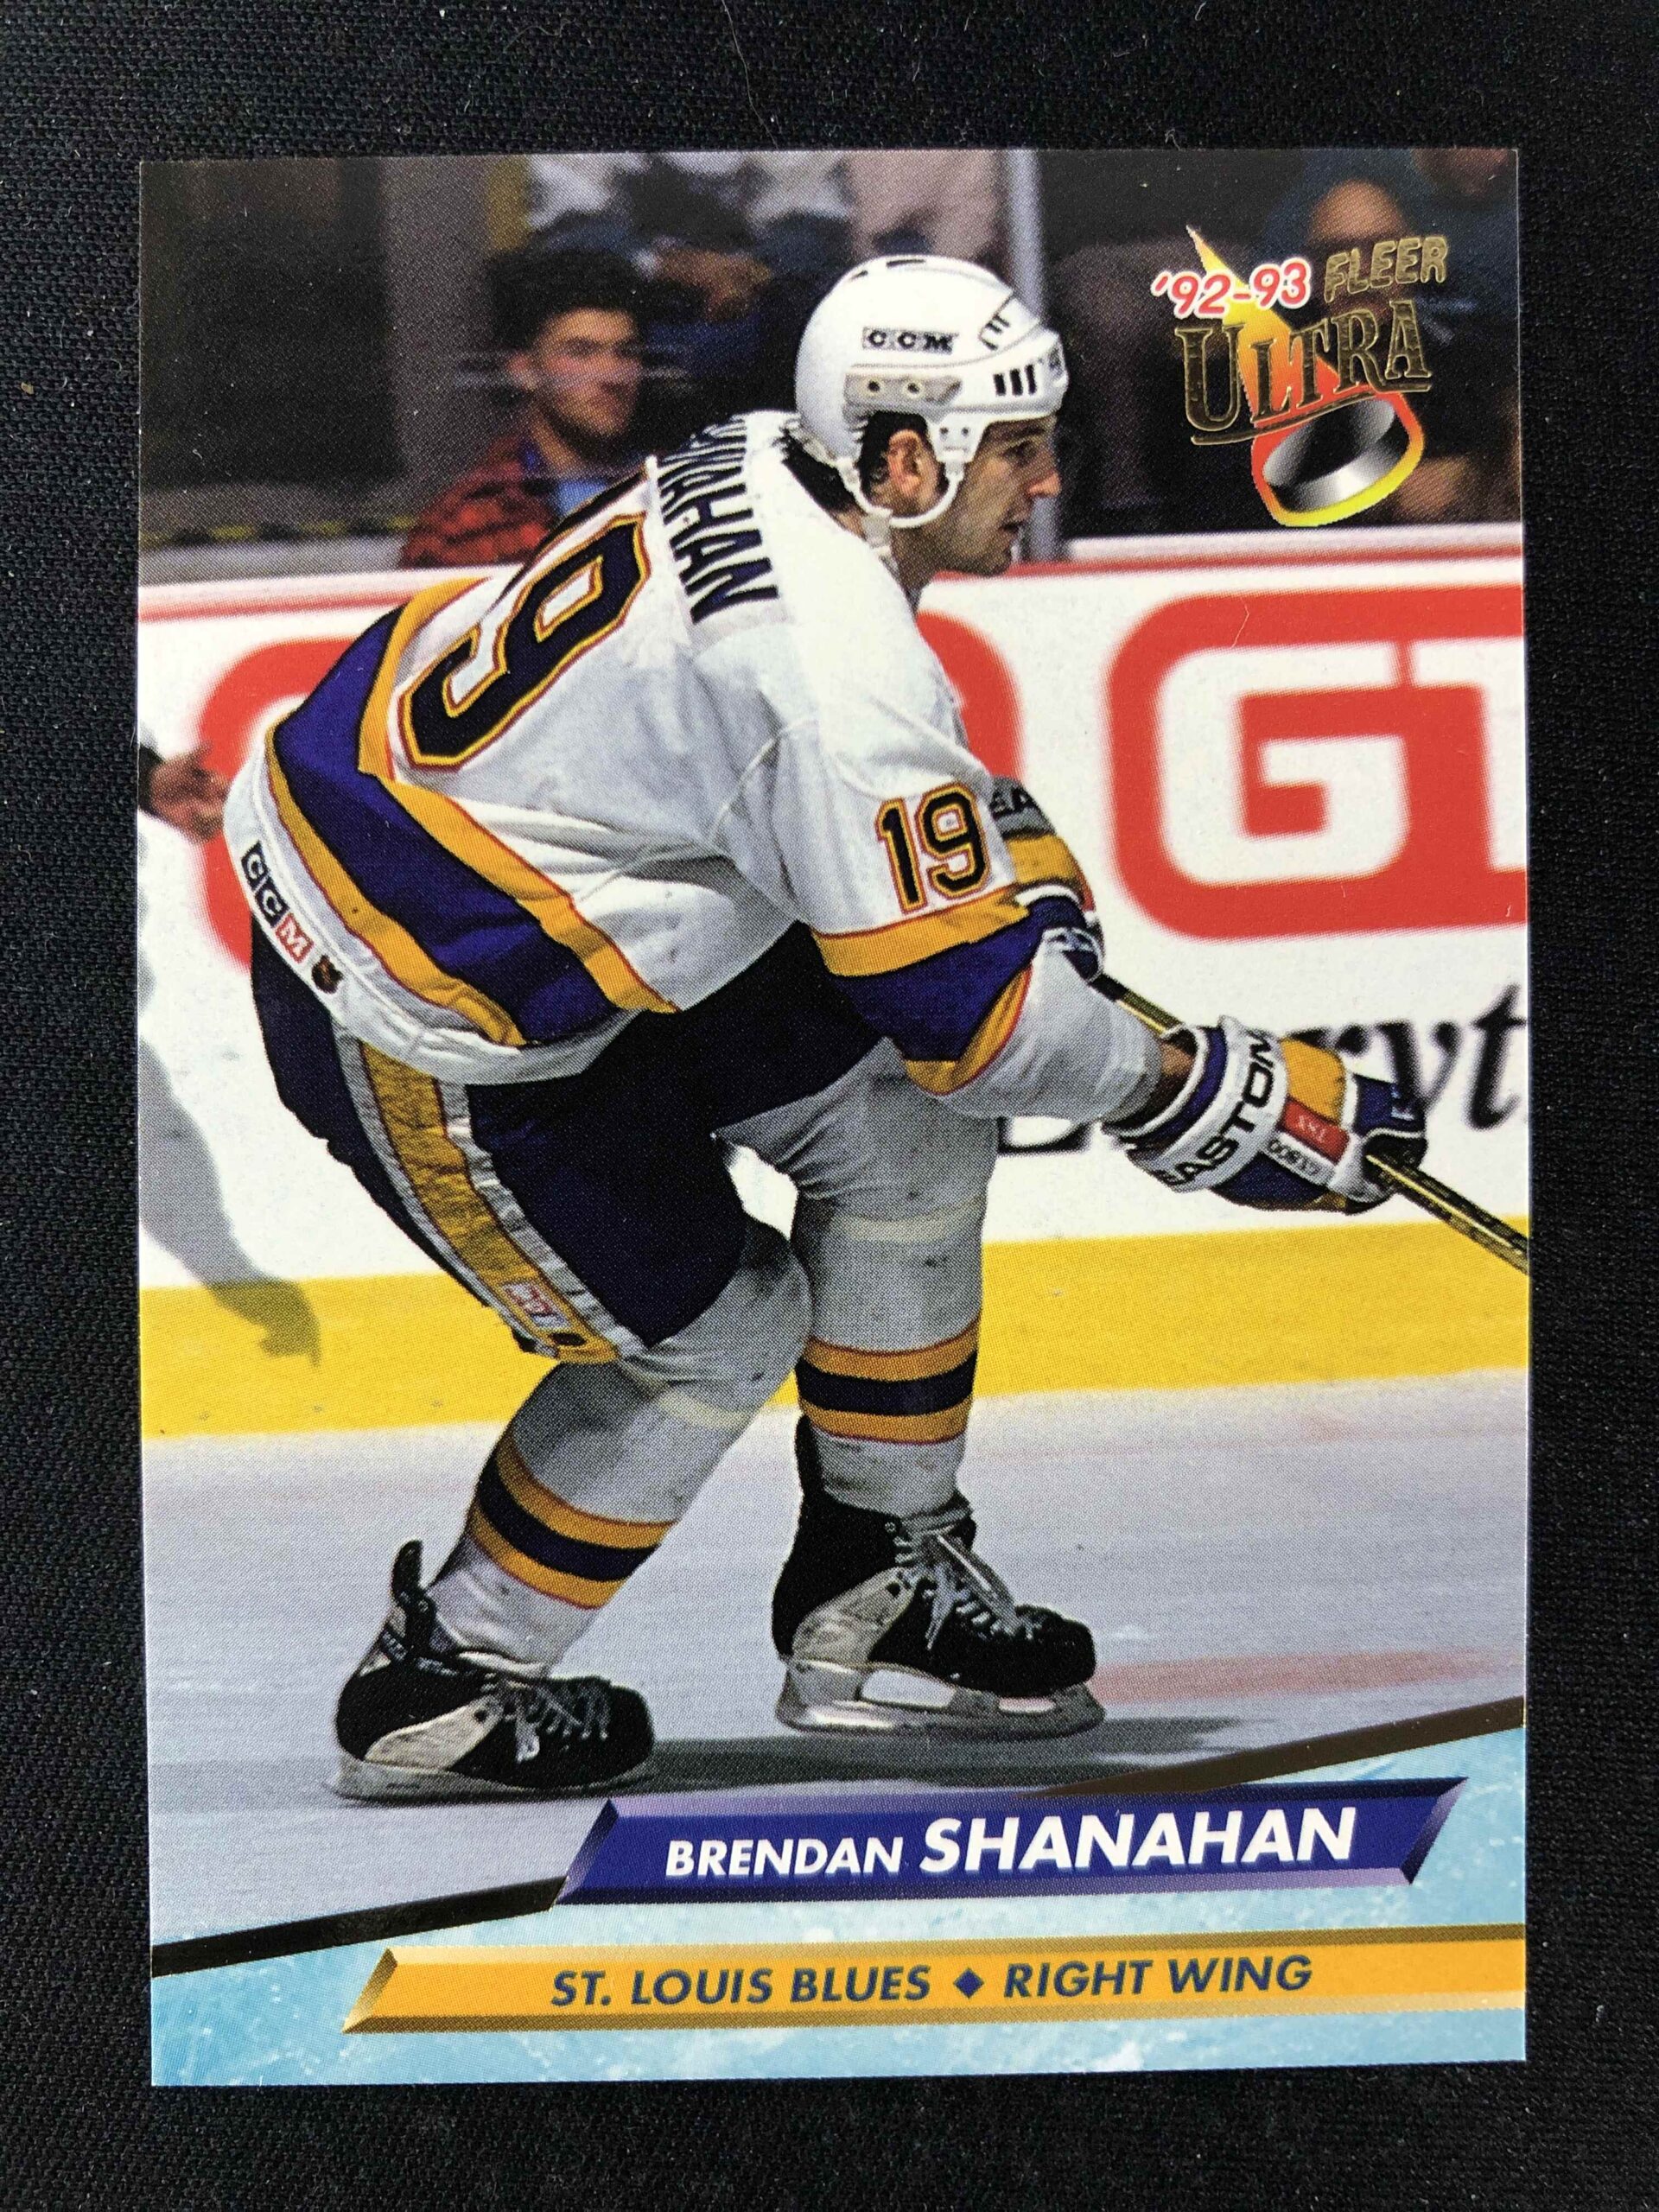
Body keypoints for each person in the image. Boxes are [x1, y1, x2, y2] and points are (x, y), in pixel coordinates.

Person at [223, 256, 1425, 1801]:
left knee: (905, 1125)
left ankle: (879, 1590)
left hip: (493, 863)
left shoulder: (766, 458)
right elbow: (980, 1023)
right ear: (904, 460)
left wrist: (1011, 921)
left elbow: (873, 858)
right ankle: (444, 1680)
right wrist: (1208, 1090)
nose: (1049, 479)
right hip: (412, 991)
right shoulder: (826, 668)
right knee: (726, 1326)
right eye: (1017, 448)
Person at [400, 249, 647, 570]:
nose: (612, 375)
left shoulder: (674, 490)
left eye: (626, 352)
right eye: (581, 352)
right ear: (525, 371)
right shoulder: (459, 530)